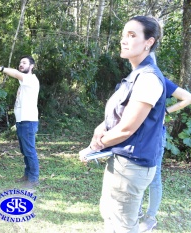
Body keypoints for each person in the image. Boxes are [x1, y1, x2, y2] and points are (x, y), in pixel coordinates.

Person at [80, 16, 166, 232]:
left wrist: (93, 147)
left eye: (132, 35)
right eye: (123, 35)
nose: (124, 40)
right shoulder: (135, 75)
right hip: (121, 161)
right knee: (110, 216)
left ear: (149, 42)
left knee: (123, 226)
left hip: (132, 166)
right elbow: (120, 115)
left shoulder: (148, 78)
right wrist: (102, 127)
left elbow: (128, 128)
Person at [139, 78, 191, 232]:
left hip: (155, 136)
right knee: (139, 174)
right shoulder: (136, 78)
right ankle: (137, 212)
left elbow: (188, 97)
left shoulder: (158, 79)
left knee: (154, 177)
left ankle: (150, 217)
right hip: (138, 135)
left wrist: (166, 111)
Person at [0, 56, 40, 189]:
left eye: (24, 63)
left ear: (32, 66)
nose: (21, 64)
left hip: (28, 121)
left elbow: (16, 74)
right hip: (22, 121)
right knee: (25, 150)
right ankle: (27, 175)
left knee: (29, 150)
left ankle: (33, 178)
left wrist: (0, 68)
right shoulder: (24, 83)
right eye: (20, 62)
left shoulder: (30, 79)